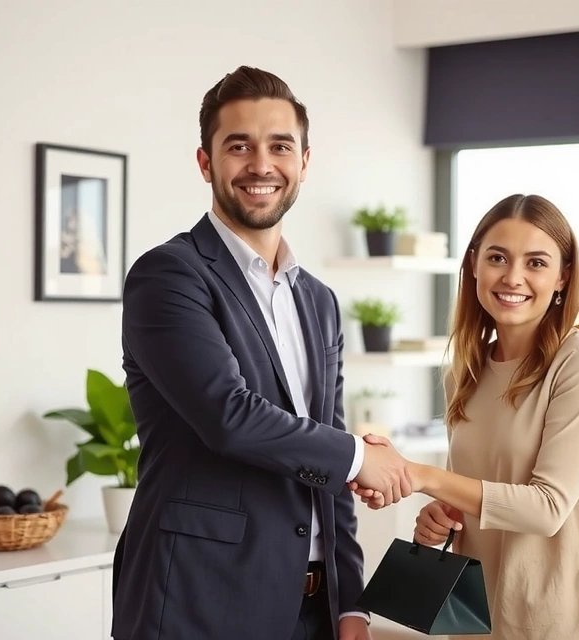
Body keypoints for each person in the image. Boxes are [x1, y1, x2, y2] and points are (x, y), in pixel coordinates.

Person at [111, 65, 412, 640]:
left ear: (303, 161)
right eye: (238, 146)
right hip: (200, 601)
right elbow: (228, 416)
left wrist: (351, 601)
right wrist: (356, 457)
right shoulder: (169, 276)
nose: (261, 165)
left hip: (314, 611)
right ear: (206, 162)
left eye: (279, 146)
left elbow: (328, 453)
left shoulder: (318, 301)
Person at [353, 194, 579, 639]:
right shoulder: (464, 371)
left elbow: (547, 508)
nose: (513, 277)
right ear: (474, 266)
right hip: (473, 616)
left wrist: (419, 475)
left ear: (563, 277)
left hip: (558, 618)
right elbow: (471, 493)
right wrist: (437, 517)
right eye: (497, 257)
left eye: (536, 262)